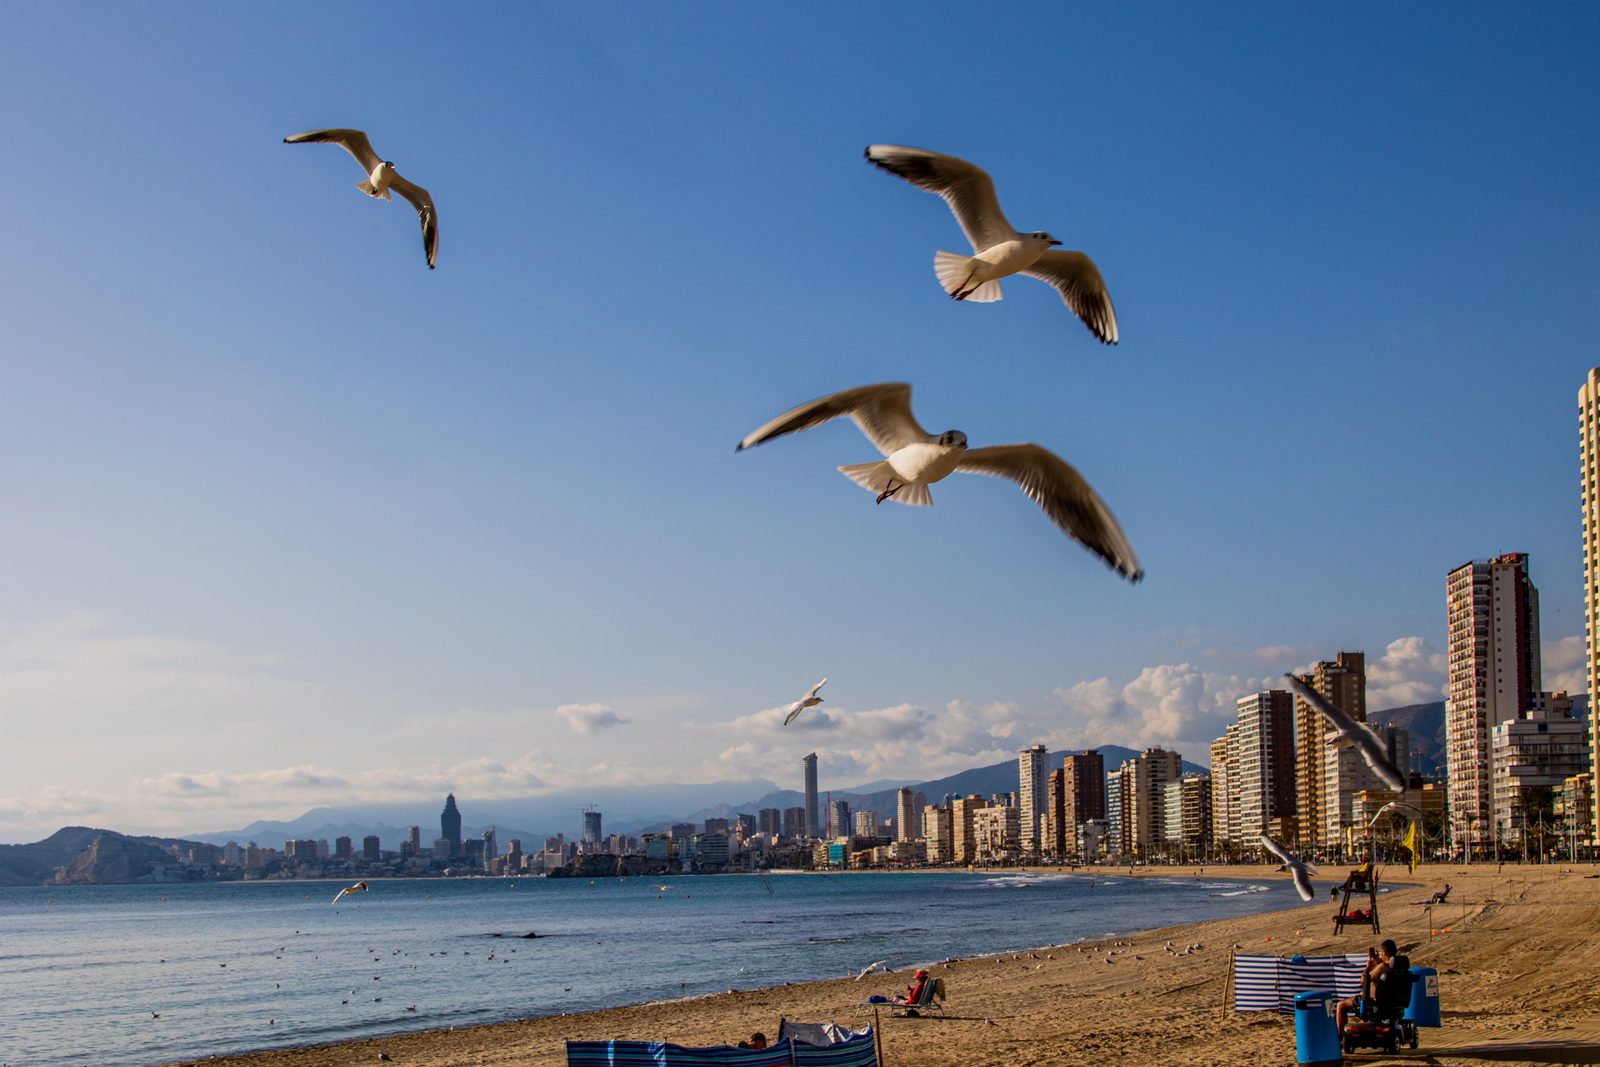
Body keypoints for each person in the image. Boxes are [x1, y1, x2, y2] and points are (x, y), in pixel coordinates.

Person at [1336, 939, 1397, 1033]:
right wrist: (1378, 963)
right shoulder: (1398, 967)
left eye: (1381, 952)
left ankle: (1340, 1038)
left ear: (1384, 952)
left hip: (1374, 1002)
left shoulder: (1383, 967)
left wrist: (1368, 967)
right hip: (1391, 1001)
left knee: (1341, 1005)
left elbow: (1364, 980)